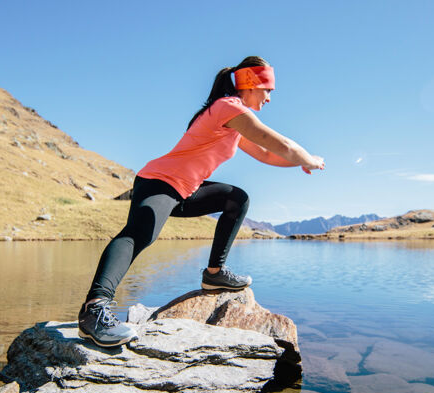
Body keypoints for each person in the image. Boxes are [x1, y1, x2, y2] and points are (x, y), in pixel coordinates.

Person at [78, 56, 325, 347]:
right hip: (159, 182)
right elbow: (280, 145)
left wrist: (300, 163)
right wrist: (309, 158)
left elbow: (268, 154)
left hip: (186, 190)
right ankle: (94, 310)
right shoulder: (227, 107)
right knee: (139, 234)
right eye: (267, 90)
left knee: (237, 199)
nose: (269, 98)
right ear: (250, 84)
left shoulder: (234, 121)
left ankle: (214, 274)